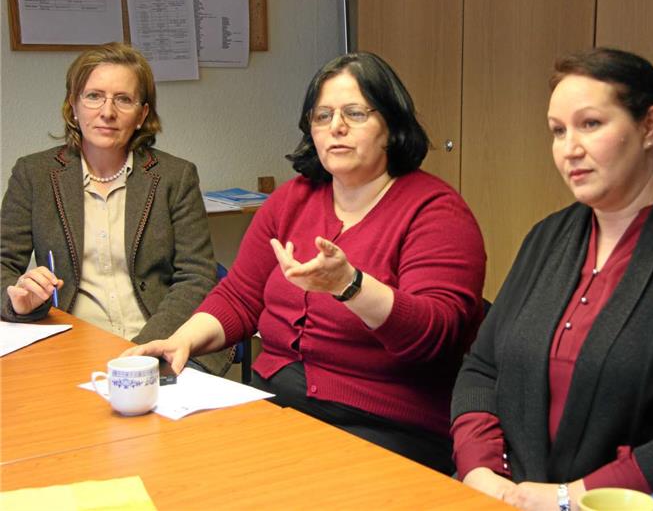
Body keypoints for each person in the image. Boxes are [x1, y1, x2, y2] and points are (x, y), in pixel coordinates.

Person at [450, 48, 653, 509]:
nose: (570, 148)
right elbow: (482, 368)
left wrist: (571, 498)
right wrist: (481, 471)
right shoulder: (547, 238)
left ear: (649, 126)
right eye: (557, 131)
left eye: (590, 124)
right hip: (510, 495)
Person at [126, 51, 486, 473]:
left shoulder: (436, 212)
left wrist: (351, 286)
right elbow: (241, 296)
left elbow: (436, 334)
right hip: (278, 408)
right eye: (323, 116)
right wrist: (183, 340)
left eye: (355, 113)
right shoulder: (292, 199)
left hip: (386, 426)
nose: (336, 127)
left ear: (391, 125)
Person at [1, 42, 231, 376]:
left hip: (161, 342)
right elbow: (4, 265)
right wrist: (18, 301)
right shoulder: (34, 174)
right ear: (73, 106)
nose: (107, 112)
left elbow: (196, 277)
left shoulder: (175, 176)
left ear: (142, 115)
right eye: (94, 96)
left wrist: (139, 351)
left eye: (123, 99)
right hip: (69, 348)